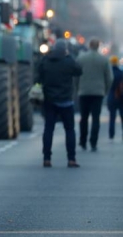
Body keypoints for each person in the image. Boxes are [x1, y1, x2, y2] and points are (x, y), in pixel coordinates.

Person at [36, 39, 82, 168]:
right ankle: (71, 159)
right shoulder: (68, 61)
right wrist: (69, 56)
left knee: (48, 130)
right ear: (65, 49)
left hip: (49, 101)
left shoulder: (45, 60)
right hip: (66, 101)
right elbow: (79, 71)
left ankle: (47, 159)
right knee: (69, 130)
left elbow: (38, 76)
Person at [75, 38, 112, 151]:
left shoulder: (81, 58)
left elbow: (76, 75)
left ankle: (83, 140)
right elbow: (109, 78)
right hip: (98, 93)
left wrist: (78, 88)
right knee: (96, 118)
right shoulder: (104, 59)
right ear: (98, 46)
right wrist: (105, 90)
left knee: (84, 118)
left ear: (89, 45)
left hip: (84, 91)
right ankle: (93, 142)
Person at [107, 55, 123, 140]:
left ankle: (111, 134)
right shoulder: (121, 73)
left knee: (112, 117)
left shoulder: (109, 73)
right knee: (122, 116)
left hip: (111, 96)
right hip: (121, 97)